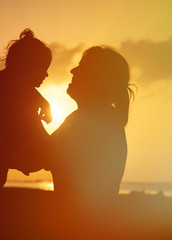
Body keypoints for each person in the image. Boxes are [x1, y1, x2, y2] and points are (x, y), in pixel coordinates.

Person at [0, 28, 52, 233]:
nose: (46, 74)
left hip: (10, 139)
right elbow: (25, 91)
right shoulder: (6, 80)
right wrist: (45, 104)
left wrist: (44, 105)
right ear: (27, 66)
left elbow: (29, 93)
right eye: (42, 68)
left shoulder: (21, 88)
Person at [50, 46, 134, 239]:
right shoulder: (90, 118)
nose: (73, 71)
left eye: (81, 67)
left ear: (97, 79)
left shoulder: (92, 121)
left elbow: (39, 154)